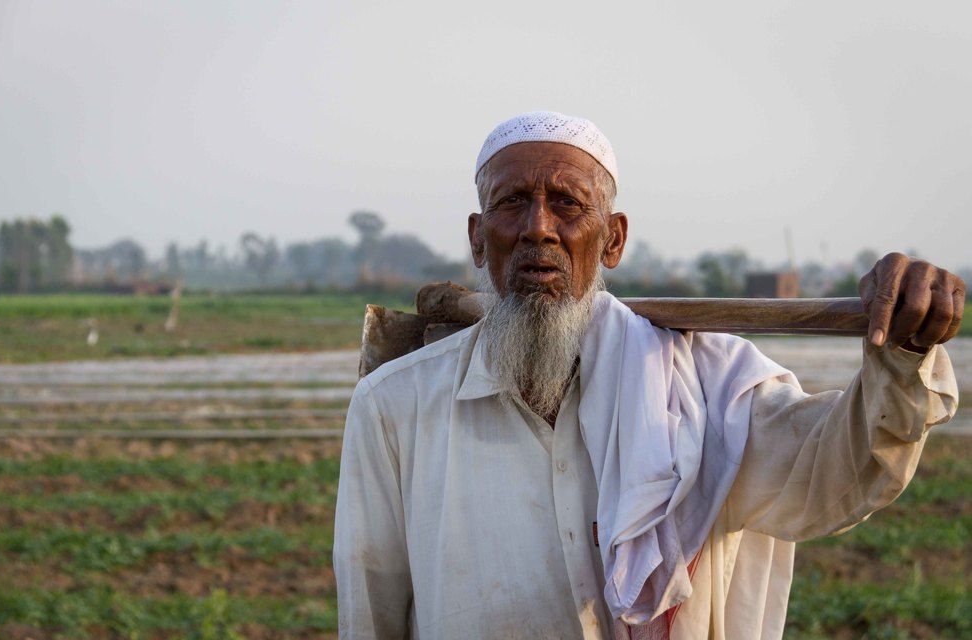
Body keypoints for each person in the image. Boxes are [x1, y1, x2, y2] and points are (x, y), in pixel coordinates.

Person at [333, 111, 962, 639]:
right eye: (513, 203)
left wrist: (901, 353)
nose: (539, 229)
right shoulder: (395, 405)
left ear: (612, 241)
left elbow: (832, 474)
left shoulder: (709, 388)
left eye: (568, 205)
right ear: (478, 239)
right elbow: (370, 610)